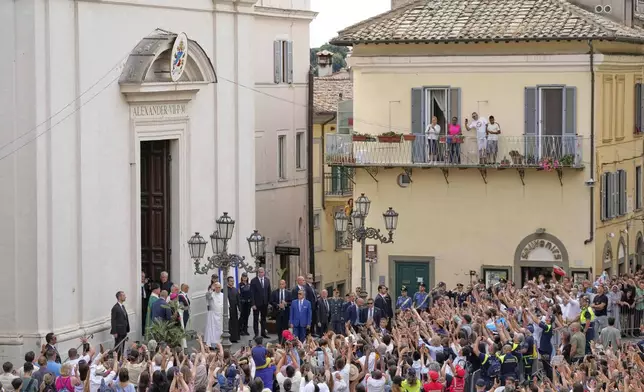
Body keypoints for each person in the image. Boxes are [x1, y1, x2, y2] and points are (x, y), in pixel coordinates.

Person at [250, 268, 271, 339]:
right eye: (259, 272)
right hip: (256, 304)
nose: (261, 273)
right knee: (256, 319)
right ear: (258, 273)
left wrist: (269, 302)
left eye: (262, 272)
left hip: (264, 303)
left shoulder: (267, 280)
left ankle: (263, 333)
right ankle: (256, 334)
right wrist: (253, 304)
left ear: (264, 272)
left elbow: (269, 292)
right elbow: (251, 293)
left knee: (263, 319)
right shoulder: (253, 281)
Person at [110, 291, 130, 359]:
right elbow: (113, 320)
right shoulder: (115, 308)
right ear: (119, 297)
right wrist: (114, 332)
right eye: (123, 295)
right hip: (118, 331)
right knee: (118, 346)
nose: (125, 297)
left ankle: (120, 358)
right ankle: (116, 359)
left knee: (122, 346)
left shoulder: (123, 306)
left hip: (124, 330)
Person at [205, 281, 224, 348]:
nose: (218, 289)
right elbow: (207, 296)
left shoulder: (223, 295)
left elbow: (227, 305)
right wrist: (211, 289)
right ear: (214, 288)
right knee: (213, 329)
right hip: (213, 315)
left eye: (219, 287)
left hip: (221, 316)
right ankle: (213, 343)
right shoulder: (211, 294)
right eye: (216, 287)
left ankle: (220, 343)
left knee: (220, 329)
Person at [226, 276, 240, 343]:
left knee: (235, 323)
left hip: (234, 309)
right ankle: (228, 338)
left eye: (233, 281)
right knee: (229, 324)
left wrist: (239, 309)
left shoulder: (235, 290)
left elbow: (238, 300)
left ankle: (235, 338)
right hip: (228, 309)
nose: (232, 282)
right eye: (231, 281)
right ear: (228, 282)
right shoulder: (224, 290)